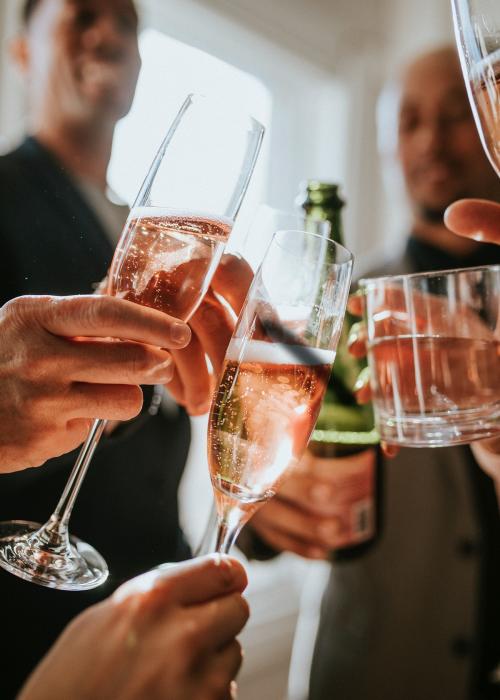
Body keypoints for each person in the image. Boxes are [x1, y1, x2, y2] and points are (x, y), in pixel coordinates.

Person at [0, 0, 252, 695]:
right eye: (82, 13)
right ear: (22, 53)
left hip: (167, 653)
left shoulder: (156, 239)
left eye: (126, 20)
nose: (108, 32)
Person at [248, 47, 500, 699]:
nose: (431, 140)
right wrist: (261, 513)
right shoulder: (338, 305)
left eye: (455, 115)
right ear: (388, 147)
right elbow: (264, 474)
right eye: (409, 121)